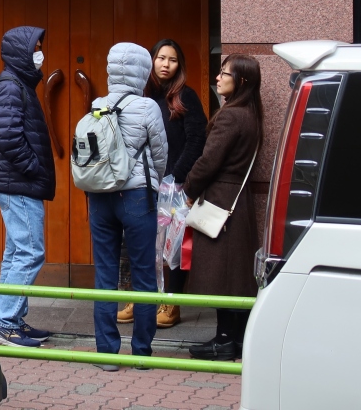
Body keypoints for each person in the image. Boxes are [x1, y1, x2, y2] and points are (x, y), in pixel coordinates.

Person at [85, 42, 168, 370]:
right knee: (143, 273)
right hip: (137, 197)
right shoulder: (148, 107)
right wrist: (153, 182)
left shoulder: (97, 105)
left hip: (99, 195)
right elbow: (160, 155)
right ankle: (141, 353)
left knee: (105, 271)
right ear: (143, 71)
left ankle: (107, 353)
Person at [184, 53, 263, 362]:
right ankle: (235, 339)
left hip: (220, 202)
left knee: (222, 275)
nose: (217, 78)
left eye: (224, 73)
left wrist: (189, 188)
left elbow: (208, 161)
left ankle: (224, 341)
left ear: (240, 80)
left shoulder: (231, 116)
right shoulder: (251, 114)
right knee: (235, 275)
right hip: (237, 203)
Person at [0, 25, 57, 348]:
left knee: (16, 252)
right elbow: (8, 136)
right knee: (30, 252)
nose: (39, 54)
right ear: (21, 52)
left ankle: (11, 320)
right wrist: (32, 167)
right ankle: (3, 323)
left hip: (17, 183)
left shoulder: (18, 84)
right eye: (35, 48)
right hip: (19, 184)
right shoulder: (11, 87)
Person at [138, 38, 207, 328]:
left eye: (173, 59)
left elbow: (197, 141)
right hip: (146, 185)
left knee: (175, 245)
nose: (166, 64)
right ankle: (141, 300)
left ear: (180, 66)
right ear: (152, 61)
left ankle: (172, 302)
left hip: (176, 186)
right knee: (144, 243)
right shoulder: (143, 97)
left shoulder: (185, 97)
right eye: (161, 58)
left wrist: (176, 177)